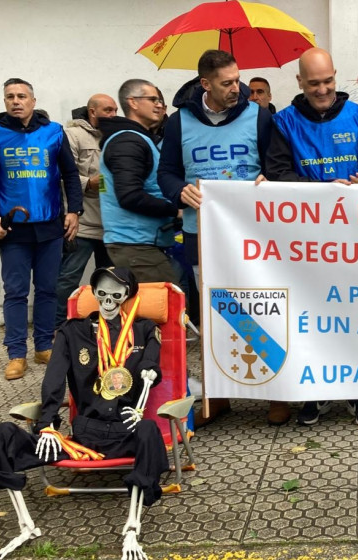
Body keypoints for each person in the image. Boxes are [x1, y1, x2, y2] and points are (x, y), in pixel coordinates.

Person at [0, 267, 167, 560]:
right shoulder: (72, 331)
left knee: (149, 430)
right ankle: (25, 527)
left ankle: (132, 527)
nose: (108, 301)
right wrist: (47, 424)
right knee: (2, 434)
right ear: (94, 294)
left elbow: (150, 367)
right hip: (83, 439)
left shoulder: (144, 329)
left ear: (127, 295)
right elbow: (54, 380)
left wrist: (144, 392)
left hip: (126, 432)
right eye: (101, 293)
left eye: (116, 294)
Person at [264, 47, 358, 426]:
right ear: (299, 82)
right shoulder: (283, 122)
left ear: (336, 75)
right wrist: (322, 190)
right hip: (305, 239)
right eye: (314, 83)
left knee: (355, 315)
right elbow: (277, 174)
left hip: (355, 237)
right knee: (312, 316)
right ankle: (315, 392)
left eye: (328, 81)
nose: (322, 90)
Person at [158, 49, 276, 426]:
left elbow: (276, 164)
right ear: (205, 84)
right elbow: (166, 173)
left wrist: (270, 179)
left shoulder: (259, 116)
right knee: (215, 316)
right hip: (203, 235)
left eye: (238, 80)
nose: (237, 88)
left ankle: (275, 395)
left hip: (253, 235)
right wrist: (179, 191)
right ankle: (217, 397)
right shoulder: (178, 123)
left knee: (262, 308)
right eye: (227, 83)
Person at [0, 78, 82, 381]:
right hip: (13, 229)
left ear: (33, 101)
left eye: (21, 96)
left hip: (50, 225)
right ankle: (16, 354)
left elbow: (71, 174)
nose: (16, 101)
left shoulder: (54, 132)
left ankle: (44, 346)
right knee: (16, 292)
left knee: (47, 289)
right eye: (10, 97)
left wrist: (74, 210)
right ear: (4, 102)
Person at [98, 79, 179, 285]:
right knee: (168, 301)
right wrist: (175, 210)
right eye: (153, 99)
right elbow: (129, 196)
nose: (159, 105)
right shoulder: (128, 141)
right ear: (132, 102)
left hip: (140, 242)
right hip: (135, 244)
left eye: (160, 101)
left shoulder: (138, 138)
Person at [54, 94, 118, 329]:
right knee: (68, 277)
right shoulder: (72, 135)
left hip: (110, 224)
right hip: (82, 224)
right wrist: (90, 183)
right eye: (108, 110)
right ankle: (58, 326)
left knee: (111, 280)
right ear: (92, 112)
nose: (113, 115)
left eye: (115, 110)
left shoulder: (115, 136)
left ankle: (108, 325)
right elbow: (61, 176)